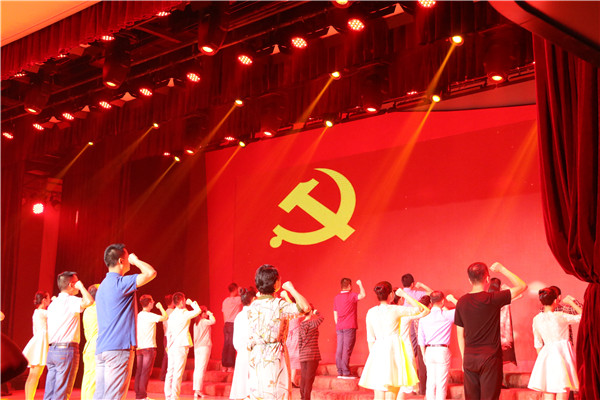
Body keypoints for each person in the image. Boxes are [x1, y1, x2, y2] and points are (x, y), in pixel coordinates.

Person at [454, 262, 527, 400]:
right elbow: (522, 286)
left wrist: (464, 358)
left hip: (469, 357)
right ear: (487, 278)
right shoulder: (493, 298)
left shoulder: (461, 302)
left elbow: (460, 335)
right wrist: (502, 269)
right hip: (490, 358)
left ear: (469, 280)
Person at [94, 244, 157, 400]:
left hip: (102, 349)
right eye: (128, 258)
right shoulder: (121, 283)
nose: (130, 261)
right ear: (121, 261)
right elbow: (151, 273)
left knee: (100, 396)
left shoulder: (102, 287)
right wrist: (136, 261)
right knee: (114, 397)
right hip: (118, 348)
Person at [247, 264, 310, 400]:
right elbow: (305, 308)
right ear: (275, 283)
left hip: (256, 356)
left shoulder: (252, 306)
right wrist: (291, 289)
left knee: (259, 394)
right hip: (274, 355)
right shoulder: (279, 305)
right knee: (276, 393)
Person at [358, 283, 429, 400]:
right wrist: (405, 295)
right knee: (391, 394)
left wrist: (374, 359)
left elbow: (370, 339)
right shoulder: (396, 310)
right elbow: (422, 309)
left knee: (379, 395)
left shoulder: (371, 312)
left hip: (377, 353)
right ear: (391, 294)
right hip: (393, 353)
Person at [44, 271, 94, 400]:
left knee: (50, 392)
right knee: (62, 392)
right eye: (76, 282)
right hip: (66, 350)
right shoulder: (71, 301)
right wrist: (81, 287)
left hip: (52, 350)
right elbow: (89, 301)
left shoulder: (53, 304)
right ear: (72, 284)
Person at [527, 288, 582, 399]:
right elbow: (583, 316)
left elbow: (538, 343)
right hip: (562, 355)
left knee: (549, 390)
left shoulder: (536, 319)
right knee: (562, 388)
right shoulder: (560, 316)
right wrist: (571, 302)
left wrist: (542, 362)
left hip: (546, 356)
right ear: (556, 300)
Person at [418, 291, 457, 400]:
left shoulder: (424, 318)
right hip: (442, 350)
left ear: (430, 301)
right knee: (441, 384)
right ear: (443, 301)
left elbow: (421, 339)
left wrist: (424, 354)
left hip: (429, 351)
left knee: (430, 383)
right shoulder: (447, 315)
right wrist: (452, 299)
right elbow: (463, 308)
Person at [164, 292, 201, 400]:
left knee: (170, 371)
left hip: (172, 345)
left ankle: (168, 395)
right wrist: (191, 303)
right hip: (180, 345)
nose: (185, 301)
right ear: (181, 301)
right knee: (177, 372)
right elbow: (198, 311)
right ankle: (174, 397)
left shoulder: (172, 315)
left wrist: (168, 345)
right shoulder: (184, 313)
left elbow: (169, 332)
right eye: (184, 300)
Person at [401, 273, 432, 394]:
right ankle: (415, 385)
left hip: (403, 324)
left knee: (410, 353)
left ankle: (410, 383)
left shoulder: (400, 294)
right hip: (415, 323)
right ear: (412, 283)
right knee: (416, 352)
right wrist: (422, 285)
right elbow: (431, 293)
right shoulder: (415, 293)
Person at [136, 294, 168, 400]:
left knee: (139, 372)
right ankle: (142, 396)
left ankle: (138, 395)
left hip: (140, 348)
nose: (154, 302)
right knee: (145, 373)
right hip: (148, 347)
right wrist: (160, 307)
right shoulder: (149, 315)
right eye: (152, 301)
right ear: (149, 303)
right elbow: (165, 317)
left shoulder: (139, 315)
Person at [333, 277, 365, 378]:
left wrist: (338, 324)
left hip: (340, 326)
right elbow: (363, 295)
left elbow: (335, 313)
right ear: (349, 286)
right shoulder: (351, 295)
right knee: (346, 349)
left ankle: (340, 371)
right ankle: (346, 372)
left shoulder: (336, 297)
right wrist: (360, 284)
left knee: (340, 349)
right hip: (349, 326)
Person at [22, 291, 51, 400]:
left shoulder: (36, 312)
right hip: (40, 344)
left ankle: (28, 398)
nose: (50, 300)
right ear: (44, 300)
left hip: (37, 342)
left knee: (32, 375)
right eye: (48, 298)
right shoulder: (43, 312)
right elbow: (56, 313)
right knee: (35, 376)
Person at [230, 286, 257, 400]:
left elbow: (235, 340)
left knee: (241, 387)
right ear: (254, 299)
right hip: (253, 352)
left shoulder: (239, 316)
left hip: (241, 352)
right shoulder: (255, 315)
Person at [488, 278, 517, 366]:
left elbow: (520, 295)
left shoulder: (487, 299)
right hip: (501, 330)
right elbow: (520, 294)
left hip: (495, 331)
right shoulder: (503, 298)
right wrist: (508, 289)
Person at [298, 308, 324, 400]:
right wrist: (317, 312)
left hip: (303, 355)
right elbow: (321, 318)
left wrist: (301, 354)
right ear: (311, 312)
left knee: (304, 378)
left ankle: (303, 397)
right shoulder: (312, 323)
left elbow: (300, 342)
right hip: (312, 355)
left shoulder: (301, 325)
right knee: (309, 379)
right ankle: (306, 398)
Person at [193, 305, 216, 399]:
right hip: (204, 347)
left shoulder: (196, 323)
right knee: (201, 368)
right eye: (205, 312)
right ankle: (198, 389)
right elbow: (213, 321)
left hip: (197, 348)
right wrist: (211, 314)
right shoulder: (204, 322)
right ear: (202, 313)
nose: (207, 313)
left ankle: (196, 389)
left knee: (197, 368)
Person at [81, 284, 100, 400]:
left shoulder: (88, 309)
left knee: (87, 379)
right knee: (93, 380)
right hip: (95, 346)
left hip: (88, 347)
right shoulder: (98, 309)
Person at [222, 282, 243, 372]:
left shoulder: (225, 301)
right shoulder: (237, 300)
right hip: (233, 324)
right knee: (231, 345)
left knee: (226, 345)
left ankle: (224, 366)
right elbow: (244, 298)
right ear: (235, 289)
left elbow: (223, 314)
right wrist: (240, 291)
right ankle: (230, 366)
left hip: (226, 324)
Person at [160, 294, 176, 381]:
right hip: (172, 336)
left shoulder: (165, 312)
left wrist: (165, 336)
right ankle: (167, 375)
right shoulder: (174, 312)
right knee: (171, 356)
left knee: (166, 356)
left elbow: (164, 327)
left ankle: (163, 375)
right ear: (172, 301)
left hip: (166, 336)